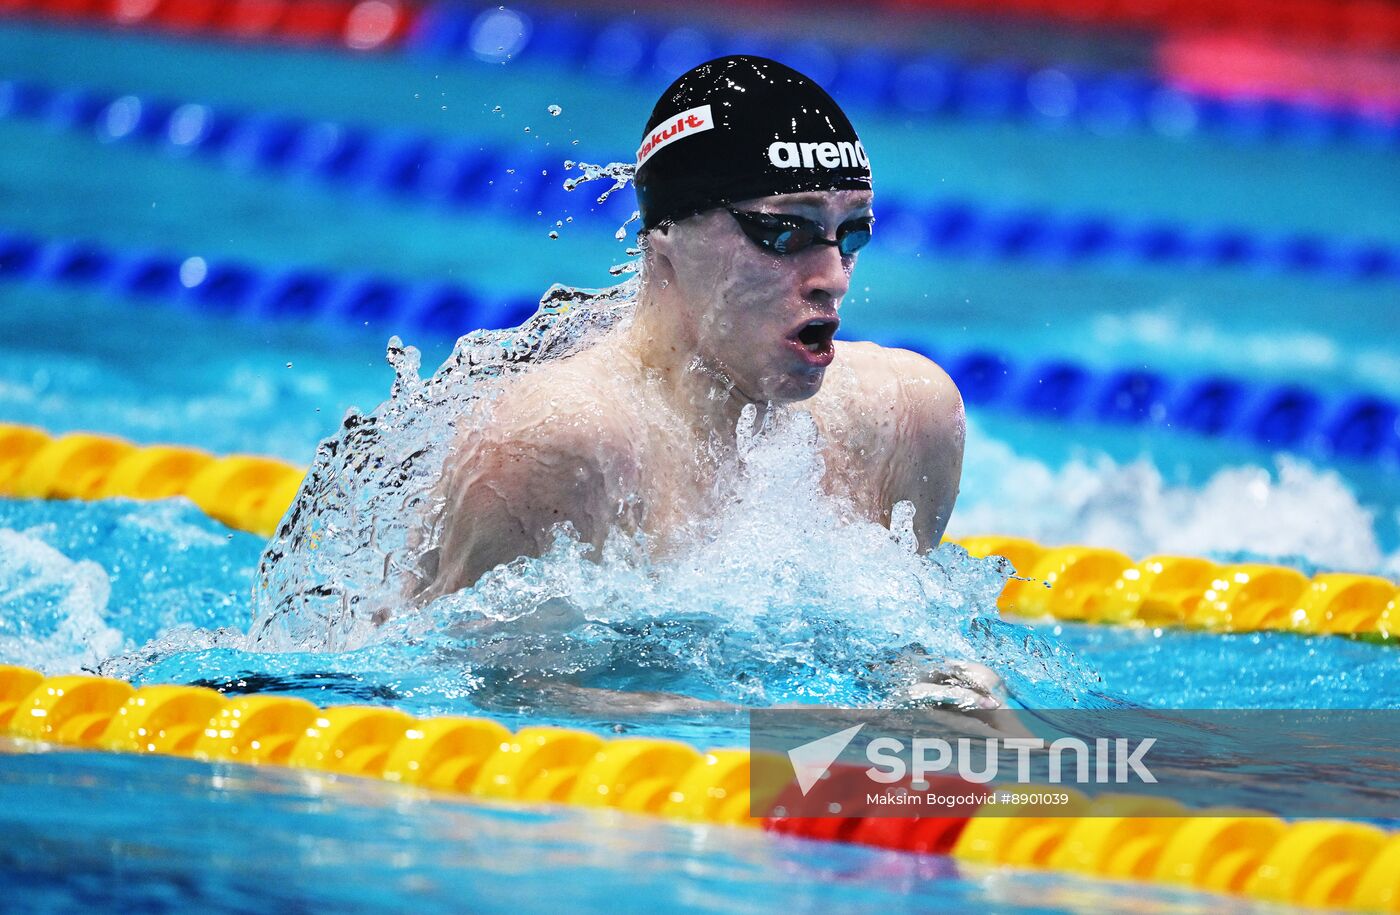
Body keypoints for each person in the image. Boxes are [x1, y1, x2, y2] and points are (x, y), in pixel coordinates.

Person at [410, 56, 967, 613]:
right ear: (666, 240)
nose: (832, 278)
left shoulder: (908, 419)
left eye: (852, 234)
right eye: (783, 231)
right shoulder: (560, 447)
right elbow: (478, 689)